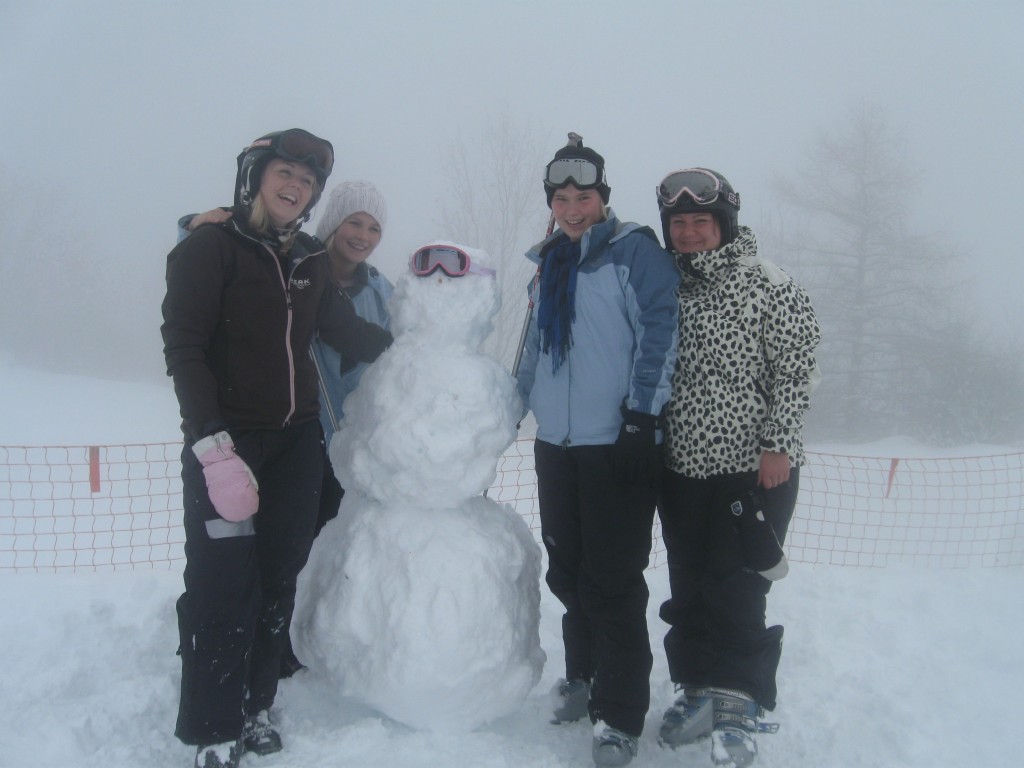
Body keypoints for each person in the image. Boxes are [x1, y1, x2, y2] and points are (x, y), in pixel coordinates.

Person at [161, 128, 392, 768]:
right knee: (220, 585)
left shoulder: (310, 260)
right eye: (285, 172)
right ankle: (212, 725)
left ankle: (257, 703)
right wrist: (211, 446)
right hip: (227, 446)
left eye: (308, 181)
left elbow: (345, 332)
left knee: (275, 581)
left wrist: (422, 347)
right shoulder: (212, 249)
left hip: (296, 447)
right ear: (256, 175)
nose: (296, 187)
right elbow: (184, 349)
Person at [515, 142, 680, 768]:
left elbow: (660, 331)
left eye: (583, 198)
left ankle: (619, 714)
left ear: (602, 198)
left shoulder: (632, 251)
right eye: (561, 200)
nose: (572, 209)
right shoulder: (551, 263)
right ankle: (582, 676)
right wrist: (500, 419)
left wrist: (643, 415)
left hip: (618, 446)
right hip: (556, 447)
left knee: (611, 581)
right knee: (568, 571)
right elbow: (531, 349)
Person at [653, 168, 821, 768]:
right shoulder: (664, 285)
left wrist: (778, 444)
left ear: (724, 225)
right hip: (680, 467)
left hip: (751, 468)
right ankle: (696, 686)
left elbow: (796, 370)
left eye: (702, 222)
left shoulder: (768, 284)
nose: (691, 232)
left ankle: (739, 699)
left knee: (738, 583)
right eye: (680, 223)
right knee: (689, 582)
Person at [181, 180, 394, 443]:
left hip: (355, 446)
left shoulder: (383, 295)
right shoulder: (292, 266)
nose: (363, 236)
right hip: (289, 438)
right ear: (333, 223)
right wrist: (193, 230)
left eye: (374, 228)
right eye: (354, 222)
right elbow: (222, 273)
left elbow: (400, 358)